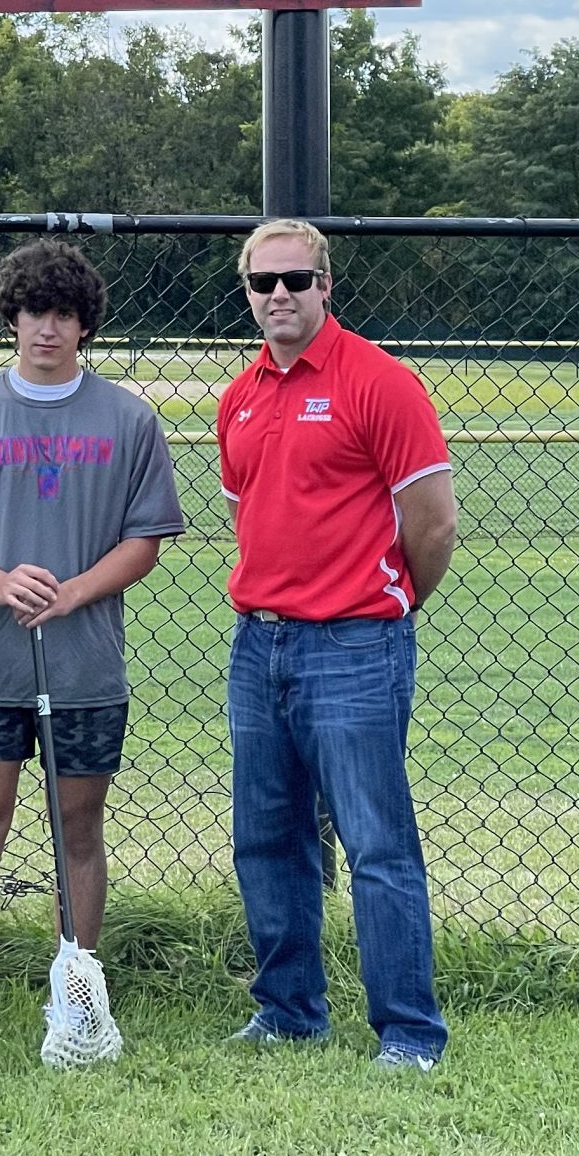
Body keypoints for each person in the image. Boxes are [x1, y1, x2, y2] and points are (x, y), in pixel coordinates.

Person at [0, 240, 185, 1053]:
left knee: (79, 828)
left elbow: (146, 539)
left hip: (84, 665)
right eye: (34, 312)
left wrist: (72, 592)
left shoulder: (129, 419)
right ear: (12, 317)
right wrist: (0, 583)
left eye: (64, 314)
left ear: (83, 325)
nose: (47, 328)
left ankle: (76, 991)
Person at [220, 217, 457, 1070]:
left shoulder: (379, 382)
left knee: (376, 843)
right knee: (268, 837)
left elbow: (431, 526)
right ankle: (288, 1011)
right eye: (262, 283)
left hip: (356, 645)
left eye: (295, 279)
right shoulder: (240, 394)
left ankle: (407, 1031)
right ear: (247, 293)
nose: (278, 295)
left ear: (326, 285)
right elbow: (250, 509)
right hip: (260, 645)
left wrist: (381, 609)